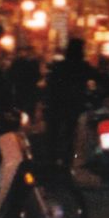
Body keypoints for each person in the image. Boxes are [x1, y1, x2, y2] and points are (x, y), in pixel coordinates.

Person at [42, 38, 91, 171]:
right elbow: (100, 78)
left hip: (55, 106)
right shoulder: (83, 66)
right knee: (69, 135)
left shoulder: (59, 66)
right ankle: (66, 166)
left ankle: (51, 165)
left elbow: (49, 85)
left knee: (53, 136)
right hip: (72, 107)